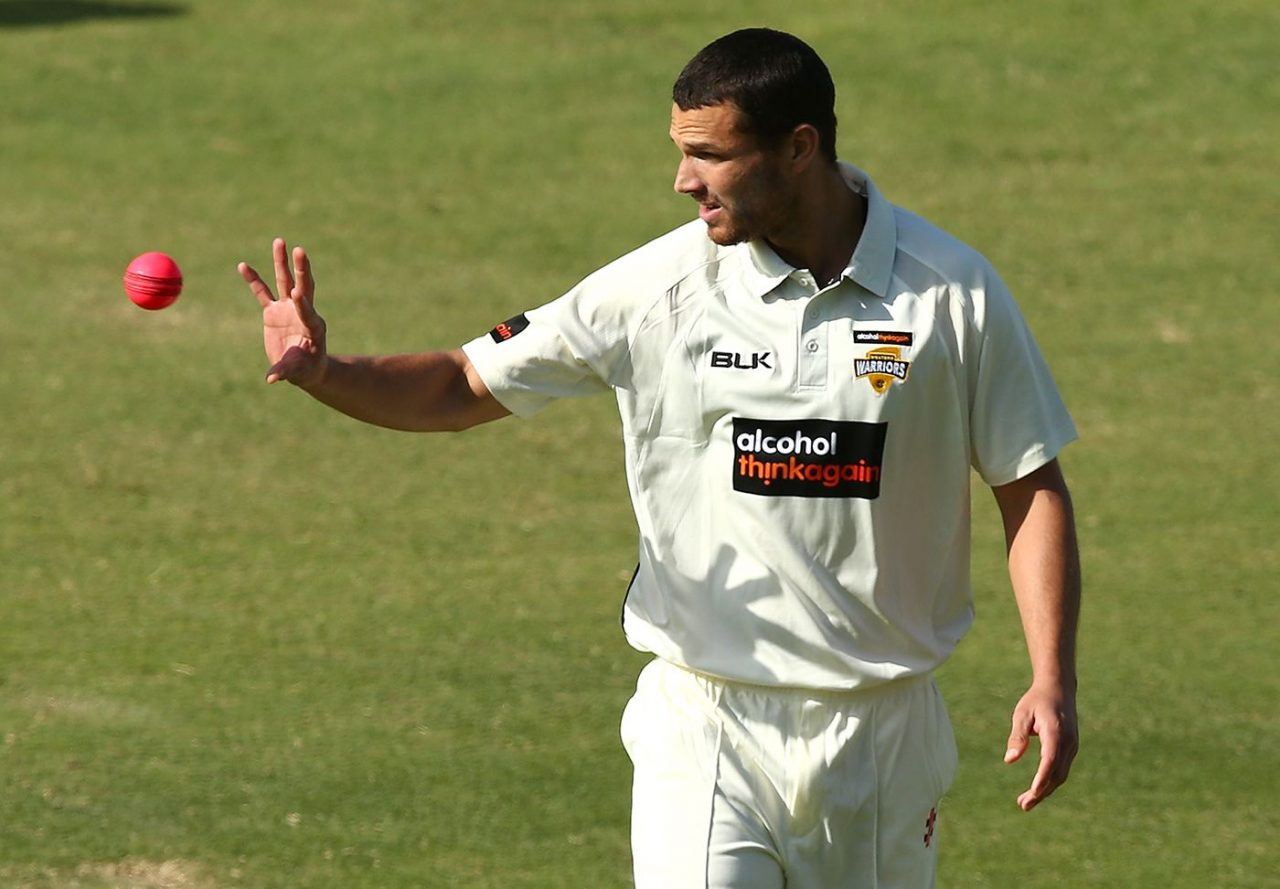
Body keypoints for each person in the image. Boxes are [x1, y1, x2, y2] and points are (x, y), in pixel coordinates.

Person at [239, 27, 1080, 889]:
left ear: (799, 148)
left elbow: (1029, 482)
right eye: (682, 153)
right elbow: (462, 382)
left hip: (881, 731)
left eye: (710, 156)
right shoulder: (659, 290)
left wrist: (1051, 676)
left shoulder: (951, 290)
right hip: (706, 722)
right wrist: (323, 372)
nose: (683, 181)